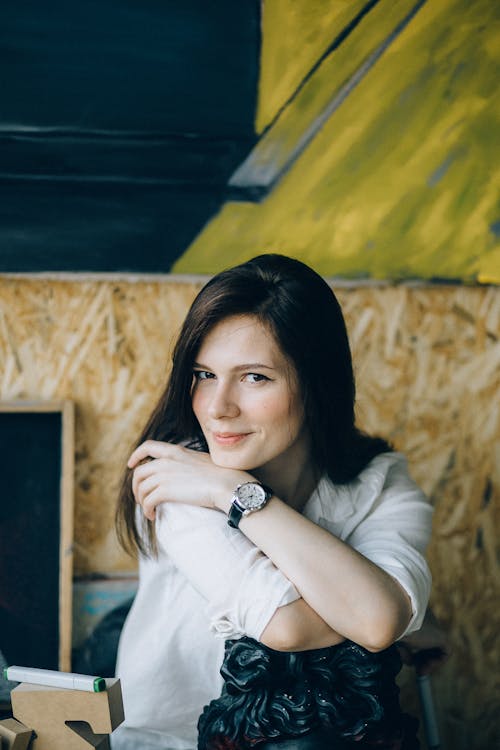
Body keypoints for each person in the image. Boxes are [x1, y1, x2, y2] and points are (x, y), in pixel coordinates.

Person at [111, 254, 433, 750]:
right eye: (204, 374)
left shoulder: (379, 481)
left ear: (316, 383)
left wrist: (232, 493)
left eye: (255, 377)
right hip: (169, 741)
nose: (217, 408)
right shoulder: (174, 481)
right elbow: (293, 626)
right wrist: (389, 616)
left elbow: (378, 620)